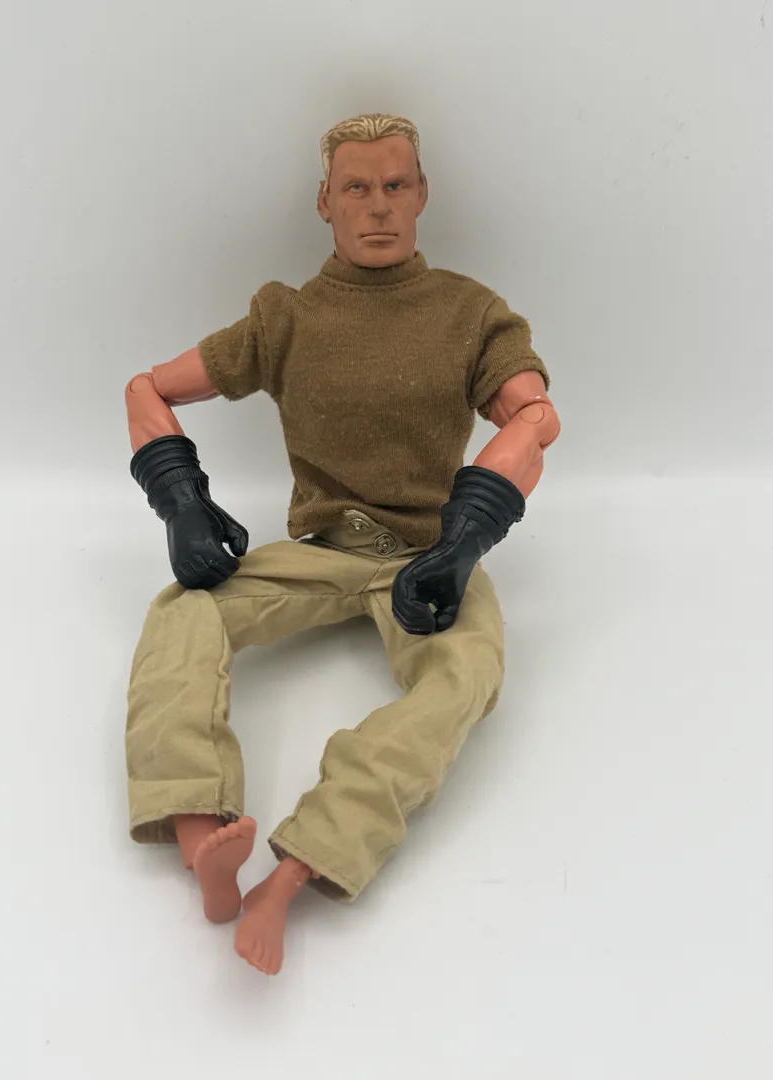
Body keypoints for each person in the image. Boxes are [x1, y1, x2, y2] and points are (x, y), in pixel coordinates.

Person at [124, 113, 560, 975]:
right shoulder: (285, 317)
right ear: (324, 202)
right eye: (356, 188)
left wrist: (464, 543)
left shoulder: (471, 313)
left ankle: (295, 872)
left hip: (429, 557)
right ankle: (199, 831)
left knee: (466, 676)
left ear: (422, 194)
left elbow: (534, 417)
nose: (378, 207)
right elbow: (147, 387)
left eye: (395, 185)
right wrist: (183, 504)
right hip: (322, 549)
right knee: (183, 611)